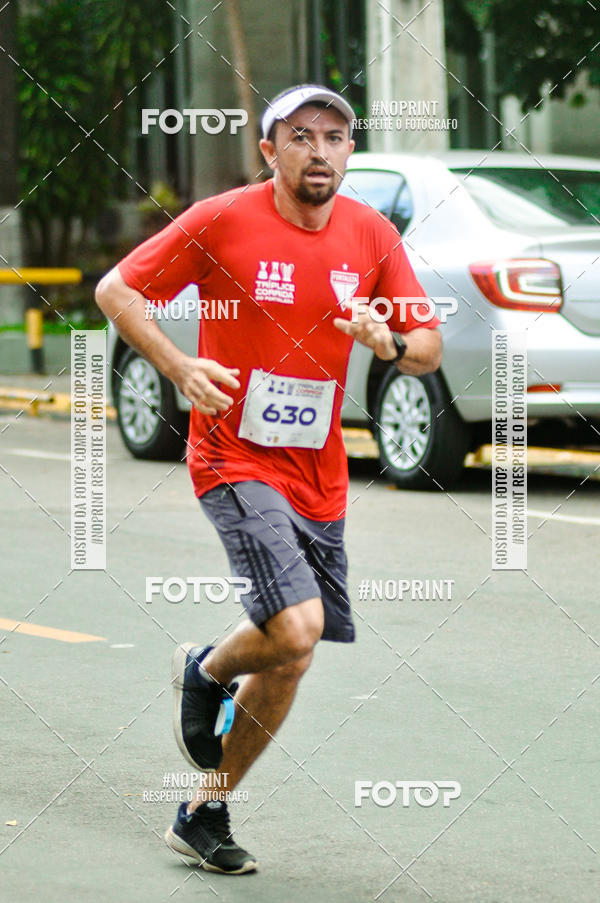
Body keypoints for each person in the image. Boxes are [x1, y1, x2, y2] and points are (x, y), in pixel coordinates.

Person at [95, 83, 442, 875]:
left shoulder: (371, 233)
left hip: (316, 472)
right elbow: (117, 289)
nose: (319, 150)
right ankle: (210, 666)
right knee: (295, 625)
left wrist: (387, 339)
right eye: (300, 136)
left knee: (292, 656)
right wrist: (180, 366)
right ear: (269, 149)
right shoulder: (224, 219)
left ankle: (202, 807)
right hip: (233, 454)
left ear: (350, 150)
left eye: (335, 136)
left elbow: (426, 347)